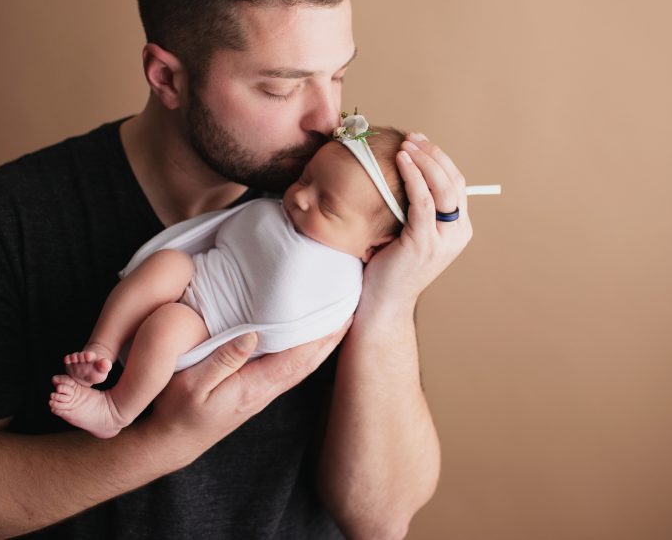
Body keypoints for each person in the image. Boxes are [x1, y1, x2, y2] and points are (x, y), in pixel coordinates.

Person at [0, 0, 473, 539]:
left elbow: (380, 517)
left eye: (339, 76)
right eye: (280, 86)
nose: (327, 121)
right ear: (167, 77)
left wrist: (387, 303)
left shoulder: (346, 216)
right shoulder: (2, 222)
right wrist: (158, 444)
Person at [49, 122, 408, 440]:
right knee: (166, 263)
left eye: (327, 207)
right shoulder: (275, 209)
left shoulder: (342, 278)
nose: (299, 197)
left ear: (372, 247)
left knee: (165, 328)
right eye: (305, 178)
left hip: (207, 323)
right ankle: (101, 349)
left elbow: (311, 326)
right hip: (199, 271)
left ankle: (116, 410)